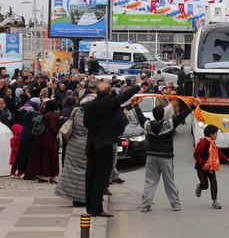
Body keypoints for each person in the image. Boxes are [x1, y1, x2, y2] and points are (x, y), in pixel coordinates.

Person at [83, 75, 142, 217]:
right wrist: (138, 85)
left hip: (91, 145)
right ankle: (97, 209)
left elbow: (86, 124)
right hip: (105, 145)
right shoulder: (110, 103)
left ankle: (90, 207)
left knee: (90, 176)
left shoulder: (88, 106)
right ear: (109, 92)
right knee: (101, 177)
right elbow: (126, 95)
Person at [134, 97, 199, 212]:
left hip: (151, 156)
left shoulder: (148, 125)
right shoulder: (170, 124)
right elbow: (182, 115)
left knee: (150, 181)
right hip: (165, 156)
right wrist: (194, 105)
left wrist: (136, 105)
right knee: (169, 180)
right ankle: (175, 204)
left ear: (154, 115)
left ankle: (145, 205)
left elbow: (141, 118)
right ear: (164, 114)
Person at [55, 83, 97, 207]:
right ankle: (83, 197)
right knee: (86, 172)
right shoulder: (93, 115)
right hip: (86, 145)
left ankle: (73, 197)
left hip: (73, 144)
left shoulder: (75, 110)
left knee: (71, 172)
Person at [194, 124, 229, 209]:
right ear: (211, 134)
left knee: (213, 182)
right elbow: (196, 154)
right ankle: (200, 186)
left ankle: (215, 201)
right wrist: (202, 164)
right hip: (202, 168)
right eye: (216, 133)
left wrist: (227, 159)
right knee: (205, 185)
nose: (217, 135)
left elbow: (218, 152)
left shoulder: (213, 144)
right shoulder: (202, 142)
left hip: (211, 168)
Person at [27, 100, 59, 183]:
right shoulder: (53, 115)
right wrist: (56, 135)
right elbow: (52, 127)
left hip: (40, 138)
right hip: (49, 139)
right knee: (52, 157)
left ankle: (41, 176)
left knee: (41, 157)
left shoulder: (43, 114)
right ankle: (53, 177)